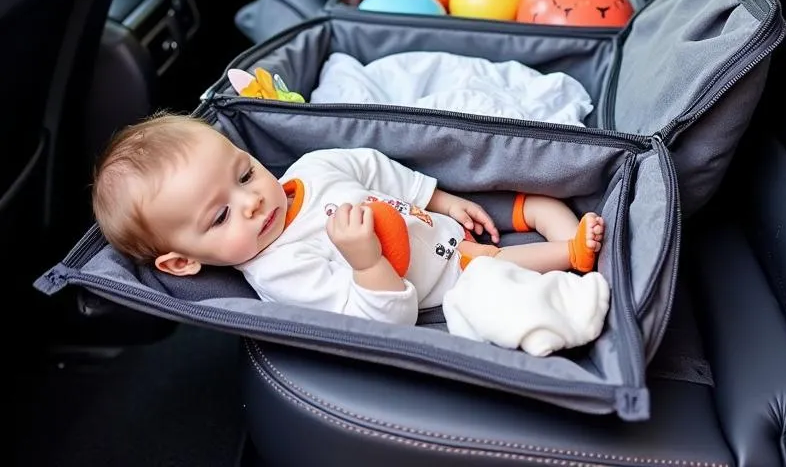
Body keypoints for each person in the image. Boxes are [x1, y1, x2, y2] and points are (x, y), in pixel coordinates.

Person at [91, 114, 605, 327]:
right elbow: (380, 321)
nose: (250, 201)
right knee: (492, 266)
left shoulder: (310, 170)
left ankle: (547, 216)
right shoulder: (282, 270)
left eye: (245, 174)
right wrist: (366, 263)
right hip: (445, 277)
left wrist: (441, 199)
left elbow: (371, 165)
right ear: (181, 262)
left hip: (436, 221)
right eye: (221, 215)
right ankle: (572, 255)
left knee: (527, 200)